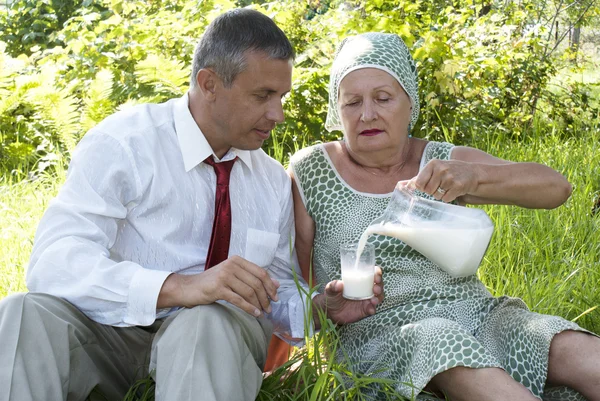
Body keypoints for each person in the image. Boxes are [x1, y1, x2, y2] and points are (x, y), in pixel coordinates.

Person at [0, 9, 313, 401]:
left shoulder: (271, 181)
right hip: (113, 337)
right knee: (21, 315)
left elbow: (279, 292)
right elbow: (54, 262)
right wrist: (178, 287)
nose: (278, 114)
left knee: (205, 322)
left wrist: (320, 308)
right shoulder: (124, 145)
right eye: (262, 96)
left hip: (215, 349)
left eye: (281, 97)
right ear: (209, 83)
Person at [289, 32, 600, 401]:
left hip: (477, 315)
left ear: (410, 102)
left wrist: (475, 175)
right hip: (378, 338)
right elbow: (293, 293)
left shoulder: (440, 163)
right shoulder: (311, 171)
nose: (367, 114)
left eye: (383, 98)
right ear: (336, 110)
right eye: (352, 102)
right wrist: (326, 306)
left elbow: (556, 188)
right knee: (439, 338)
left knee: (572, 350)